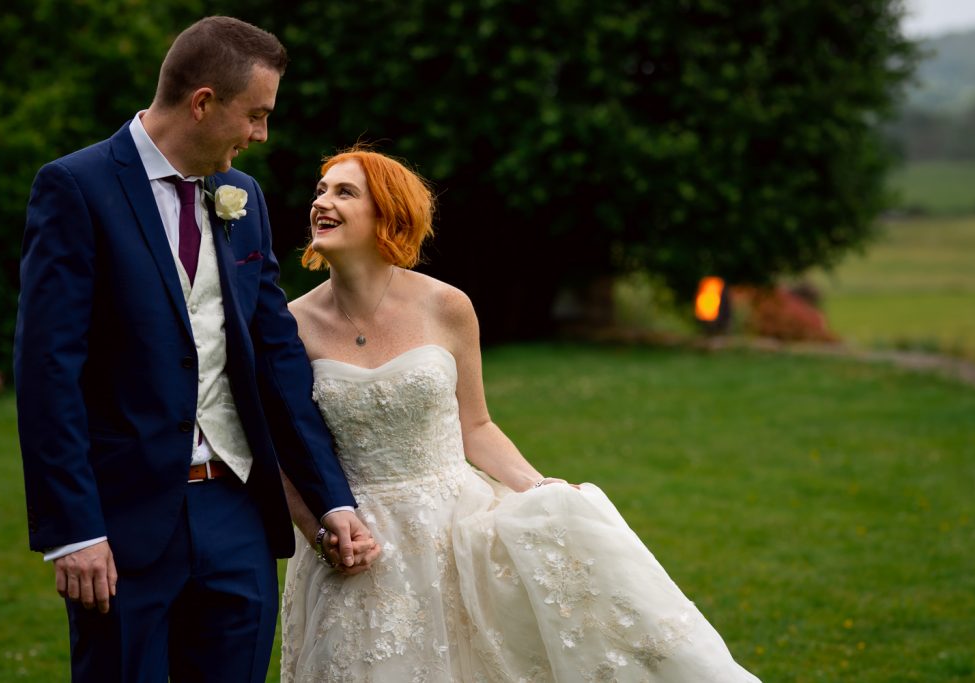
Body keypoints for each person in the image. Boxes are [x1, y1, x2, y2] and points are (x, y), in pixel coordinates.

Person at [278, 147, 761, 682]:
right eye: (321, 191)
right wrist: (321, 531)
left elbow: (476, 426)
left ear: (388, 214)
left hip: (455, 536)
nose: (322, 202)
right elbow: (286, 444)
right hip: (359, 545)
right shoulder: (292, 325)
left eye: (345, 192)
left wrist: (538, 488)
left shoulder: (446, 307)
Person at [14, 17, 378, 683]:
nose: (261, 135)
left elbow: (276, 357)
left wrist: (332, 498)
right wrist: (74, 530)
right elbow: (48, 371)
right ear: (203, 102)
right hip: (123, 523)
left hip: (237, 513)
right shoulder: (77, 188)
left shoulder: (245, 199)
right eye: (257, 115)